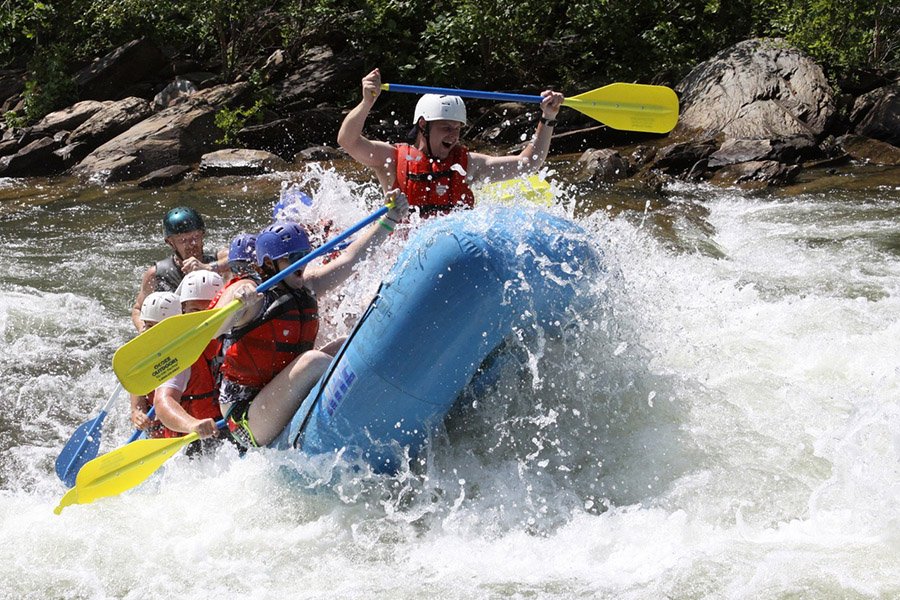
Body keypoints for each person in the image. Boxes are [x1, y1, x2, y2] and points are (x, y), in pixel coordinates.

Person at [212, 191, 409, 449]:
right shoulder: (253, 296)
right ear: (270, 263)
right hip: (247, 418)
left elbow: (350, 258)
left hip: (277, 393)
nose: (301, 262)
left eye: (303, 254)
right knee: (312, 361)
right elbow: (216, 326)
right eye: (292, 258)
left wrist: (390, 220)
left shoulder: (308, 284)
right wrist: (237, 300)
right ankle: (363, 392)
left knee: (348, 342)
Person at [337, 67, 564, 217]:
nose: (453, 136)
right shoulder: (392, 159)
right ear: (424, 126)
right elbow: (348, 141)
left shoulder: (468, 165)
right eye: (446, 128)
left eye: (457, 129)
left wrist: (548, 117)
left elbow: (529, 163)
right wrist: (367, 102)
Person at [152, 270, 225, 442]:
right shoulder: (179, 352)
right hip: (194, 440)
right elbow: (163, 401)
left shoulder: (235, 335)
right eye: (194, 310)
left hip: (232, 426)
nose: (201, 318)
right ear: (183, 311)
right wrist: (192, 424)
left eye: (208, 309)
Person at [131, 206, 225, 331]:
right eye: (183, 240)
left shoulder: (219, 259)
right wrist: (143, 330)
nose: (191, 244)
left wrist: (208, 267)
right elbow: (138, 309)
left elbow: (243, 259)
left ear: (203, 235)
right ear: (170, 242)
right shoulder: (156, 274)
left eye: (195, 237)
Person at [129, 291, 181, 435]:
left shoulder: (193, 348)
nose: (145, 330)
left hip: (194, 420)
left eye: (152, 326)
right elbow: (137, 386)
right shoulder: (143, 352)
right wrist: (137, 412)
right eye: (146, 324)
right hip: (160, 426)